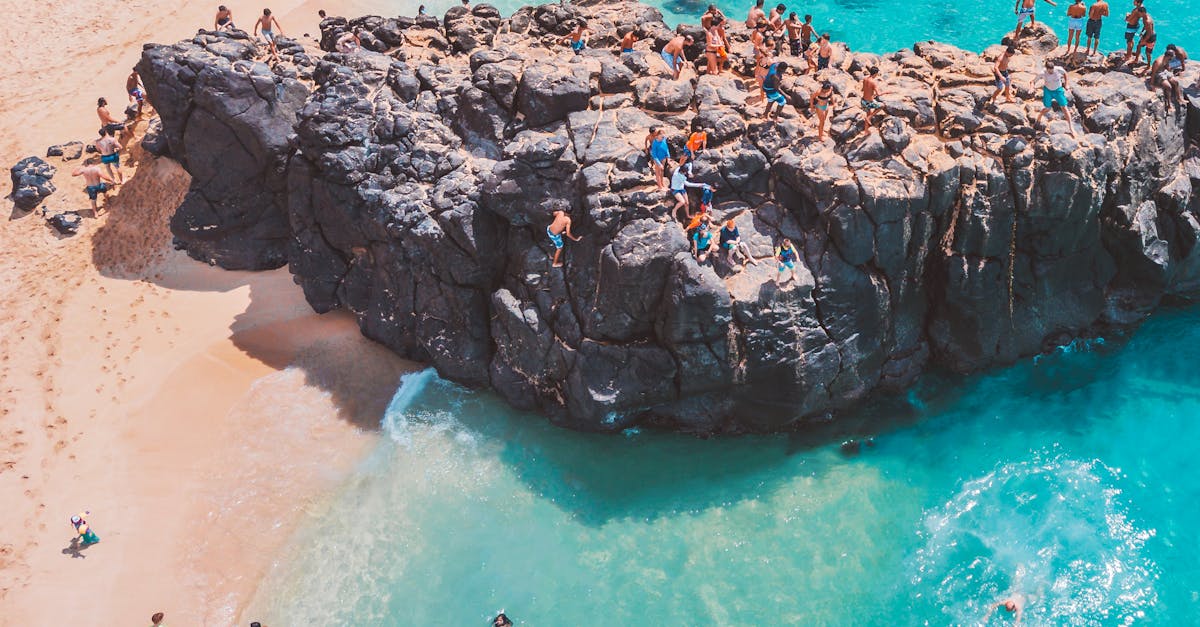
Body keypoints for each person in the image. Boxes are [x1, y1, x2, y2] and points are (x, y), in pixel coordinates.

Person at [1034, 60, 1078, 136]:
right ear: (1046, 69)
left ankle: (1071, 128)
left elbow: (1065, 74)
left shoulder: (1058, 69)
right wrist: (1032, 88)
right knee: (1047, 108)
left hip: (1058, 90)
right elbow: (1033, 81)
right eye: (1050, 71)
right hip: (1048, 91)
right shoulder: (1042, 73)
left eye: (1052, 70)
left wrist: (1066, 84)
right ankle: (1039, 116)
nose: (1052, 72)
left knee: (1064, 108)